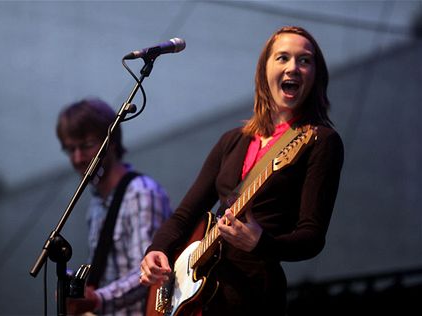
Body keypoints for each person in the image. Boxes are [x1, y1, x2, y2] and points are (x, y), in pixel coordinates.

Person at [140, 25, 344, 315]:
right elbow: (186, 215)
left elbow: (311, 238)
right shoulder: (232, 140)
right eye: (282, 58)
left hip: (254, 294)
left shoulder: (320, 140)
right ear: (264, 71)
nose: (293, 67)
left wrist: (262, 242)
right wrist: (156, 250)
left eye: (304, 60)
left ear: (315, 75)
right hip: (201, 297)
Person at [56, 98, 172, 315]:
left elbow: (150, 274)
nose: (78, 158)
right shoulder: (96, 204)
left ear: (112, 142)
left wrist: (97, 299)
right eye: (71, 149)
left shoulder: (141, 192)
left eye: (87, 145)